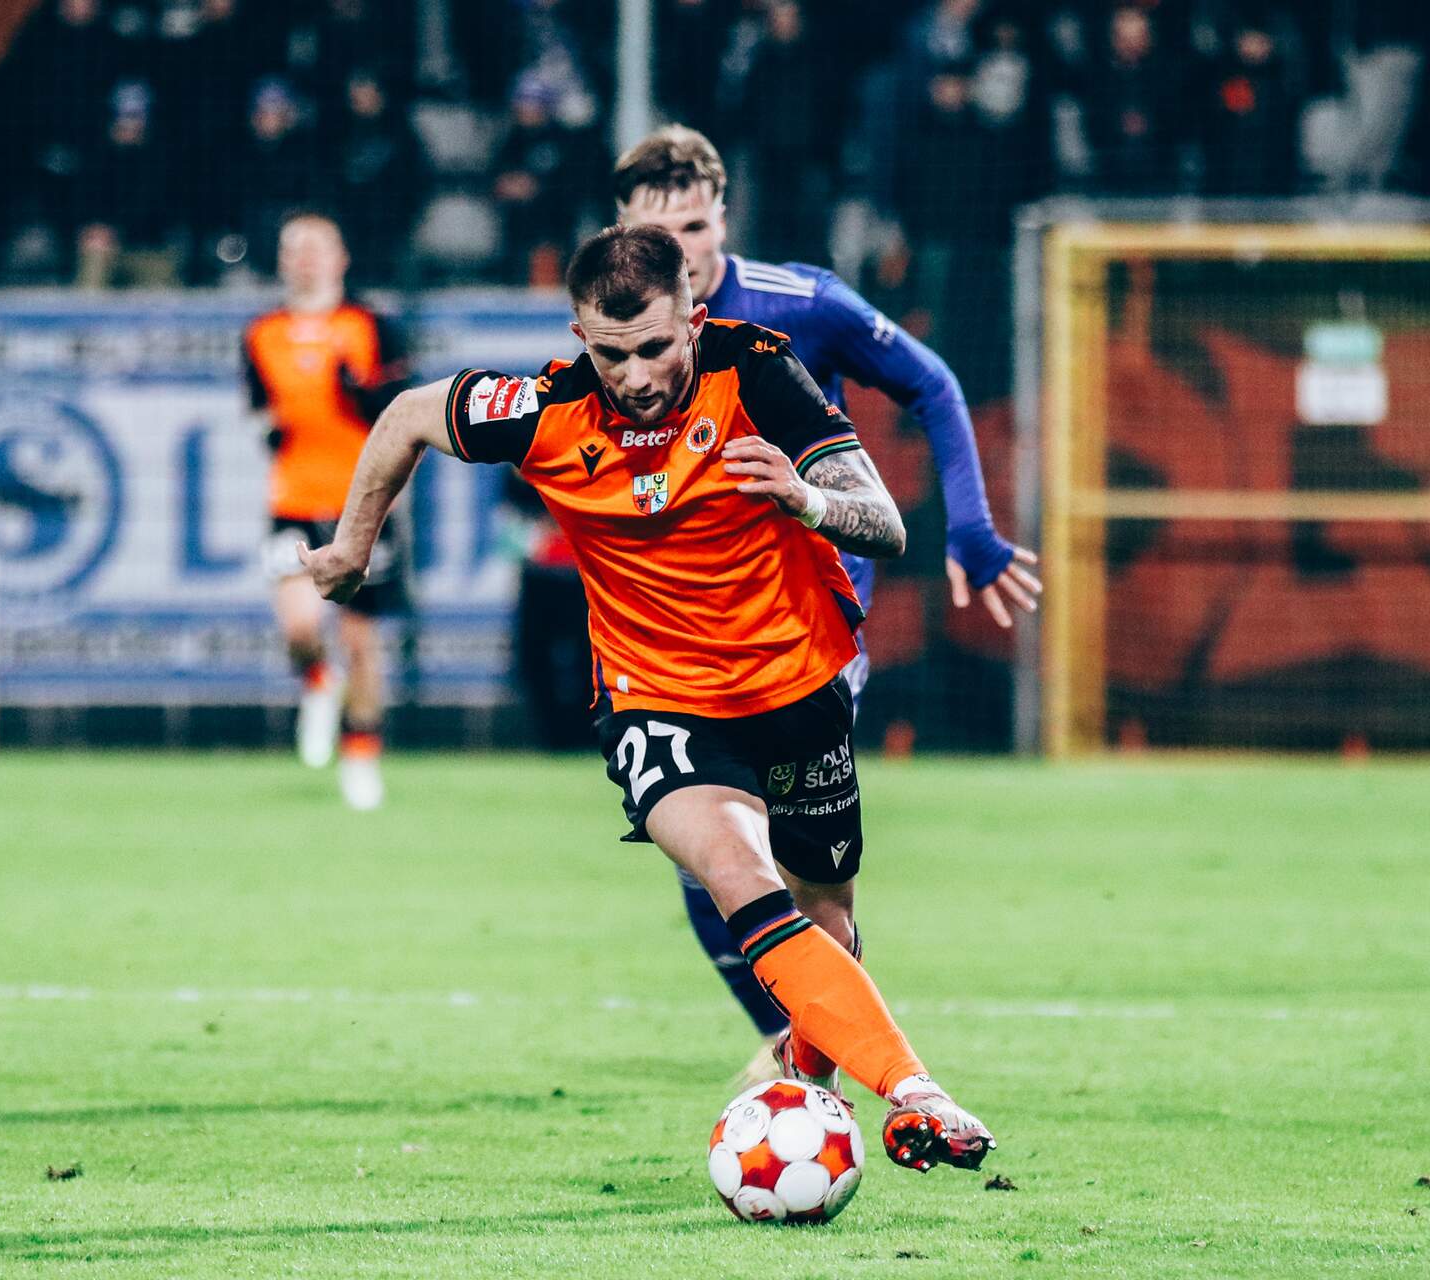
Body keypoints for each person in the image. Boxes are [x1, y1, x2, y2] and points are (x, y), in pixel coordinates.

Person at [301, 224, 996, 1174]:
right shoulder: (545, 408)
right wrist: (352, 545)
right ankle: (918, 1094)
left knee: (828, 917)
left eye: (655, 347)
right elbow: (407, 416)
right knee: (739, 874)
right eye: (610, 353)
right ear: (580, 336)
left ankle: (811, 1095)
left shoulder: (756, 372)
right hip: (657, 701)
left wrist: (806, 500)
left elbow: (884, 524)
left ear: (692, 321)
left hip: (798, 684)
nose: (633, 375)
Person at [613, 125, 1042, 1078]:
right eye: (659, 234)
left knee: (793, 858)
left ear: (724, 218)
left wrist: (971, 529)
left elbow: (932, 384)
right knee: (703, 853)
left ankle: (812, 1057)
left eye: (696, 226)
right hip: (686, 630)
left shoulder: (796, 304)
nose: (682, 250)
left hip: (810, 623)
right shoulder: (624, 345)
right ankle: (796, 1046)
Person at [244, 211, 413, 811]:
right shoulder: (262, 333)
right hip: (293, 498)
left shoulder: (371, 325)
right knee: (299, 626)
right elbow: (260, 411)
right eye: (296, 248)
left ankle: (361, 756)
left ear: (341, 258)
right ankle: (318, 681)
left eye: (318, 247)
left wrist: (359, 394)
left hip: (361, 504)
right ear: (282, 260)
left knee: (362, 641)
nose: (307, 259)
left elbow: (402, 411)